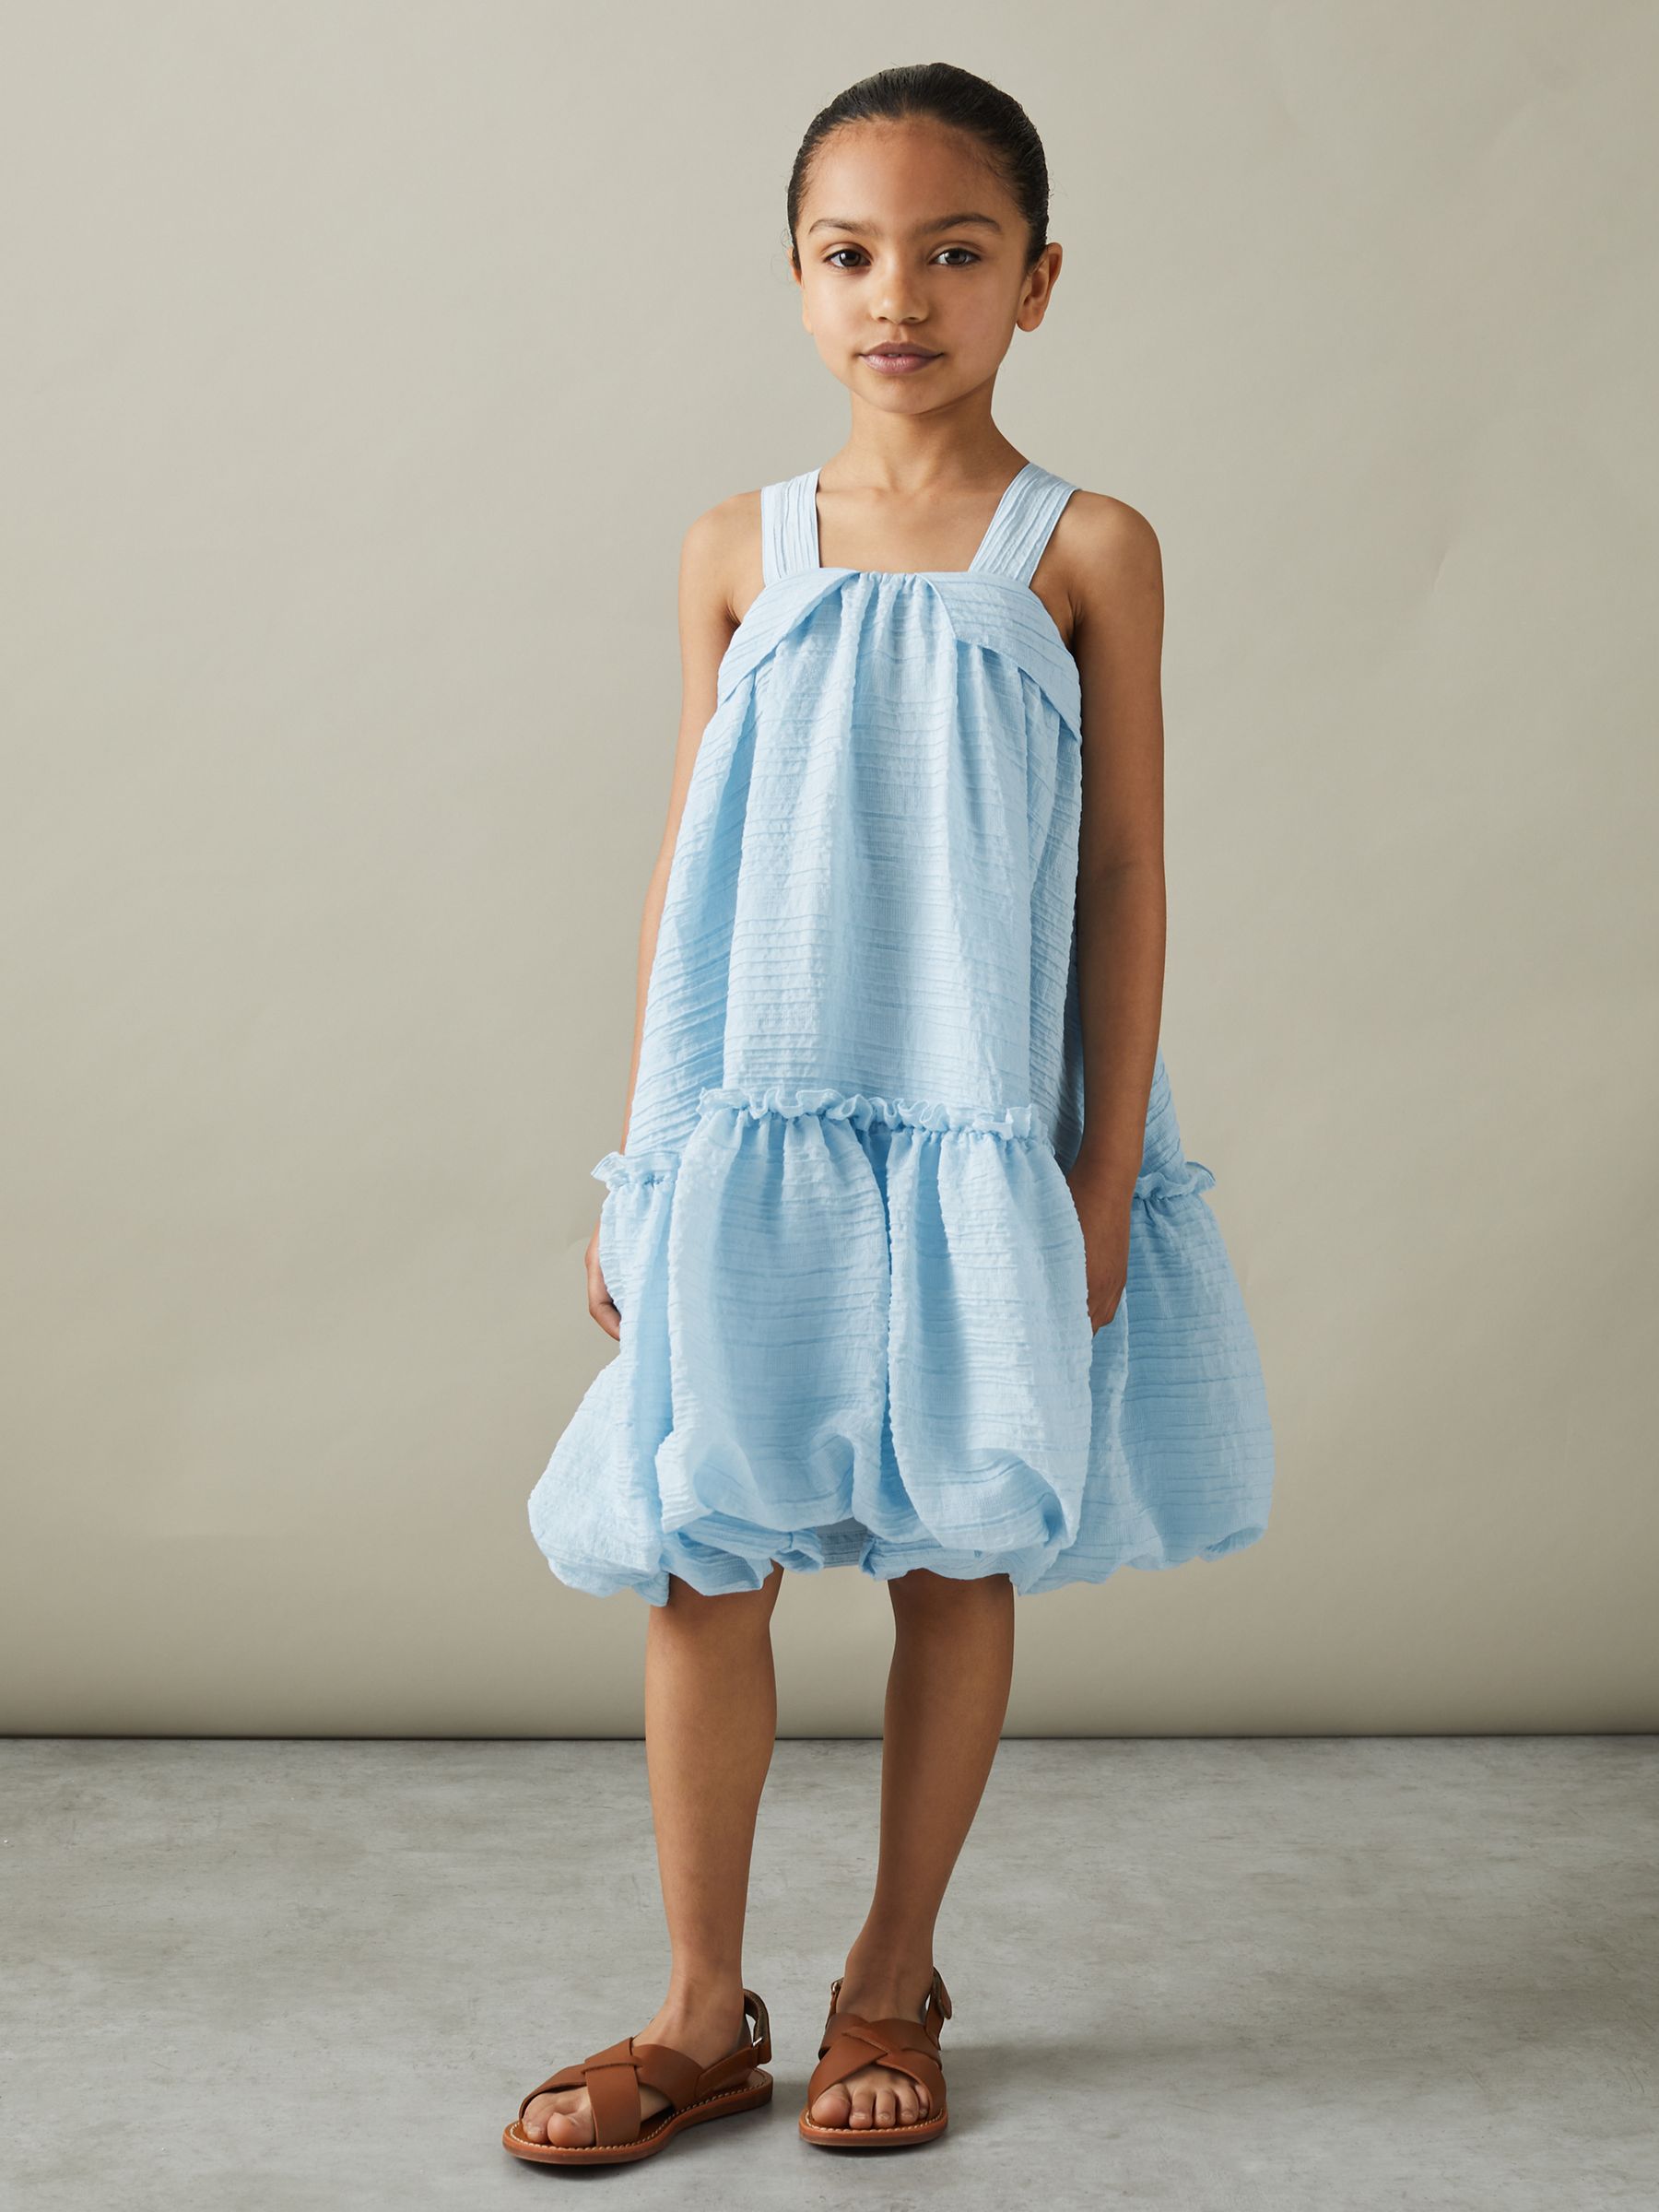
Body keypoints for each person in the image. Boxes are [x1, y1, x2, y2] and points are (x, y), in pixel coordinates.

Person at [505, 60, 1275, 2169]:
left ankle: (890, 1975)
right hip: (756, 1114)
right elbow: (690, 869)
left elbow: (1127, 869)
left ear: (1038, 280)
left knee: (954, 1544)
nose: (898, 297)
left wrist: (1098, 1174)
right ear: (797, 276)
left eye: (952, 253)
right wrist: (646, 1159)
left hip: (974, 1123)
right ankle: (697, 2011)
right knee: (702, 1553)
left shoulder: (1085, 549)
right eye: (850, 255)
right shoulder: (733, 549)